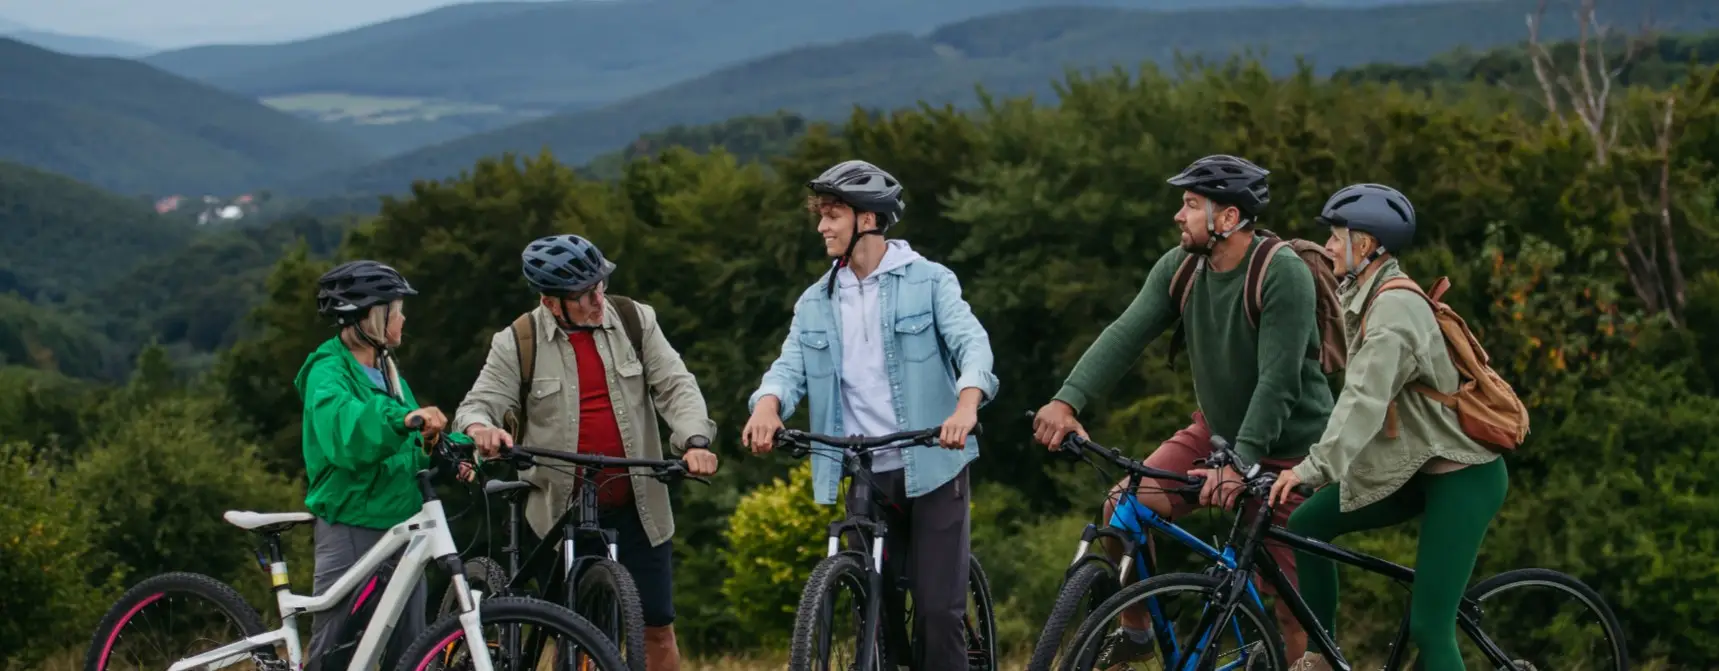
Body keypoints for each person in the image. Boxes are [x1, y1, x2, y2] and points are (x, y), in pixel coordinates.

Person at [1030, 154, 1333, 665]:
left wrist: (1243, 463)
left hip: (1289, 456)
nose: (1179, 215)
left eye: (1191, 204)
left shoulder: (1282, 273)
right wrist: (1067, 400)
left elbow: (1279, 382)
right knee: (1124, 509)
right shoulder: (1182, 268)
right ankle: (1137, 628)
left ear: (1228, 218)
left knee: (1291, 609)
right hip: (1214, 435)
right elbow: (1126, 334)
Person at [739, 159, 998, 670]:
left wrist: (966, 405)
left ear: (869, 219)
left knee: (935, 613)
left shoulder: (929, 281)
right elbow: (788, 368)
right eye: (822, 215)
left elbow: (973, 344)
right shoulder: (816, 301)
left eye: (833, 214)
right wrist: (767, 406)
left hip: (934, 463)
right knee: (870, 609)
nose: (822, 227)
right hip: (863, 468)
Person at [1268, 184, 1508, 671]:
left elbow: (1363, 401)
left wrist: (1313, 467)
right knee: (1306, 525)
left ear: (1366, 244)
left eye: (1337, 237)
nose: (1330, 247)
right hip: (1412, 468)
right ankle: (1322, 654)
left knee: (1430, 627)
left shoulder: (1394, 311)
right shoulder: (1365, 292)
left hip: (1463, 477)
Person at [454, 233, 719, 671]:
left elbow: (676, 384)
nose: (599, 299)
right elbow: (479, 403)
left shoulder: (635, 319)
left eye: (600, 286)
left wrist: (694, 441)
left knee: (658, 627)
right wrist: (482, 428)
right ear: (551, 301)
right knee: (575, 635)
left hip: (638, 503)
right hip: (559, 511)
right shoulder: (518, 341)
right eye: (584, 295)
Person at [298, 259, 473, 670]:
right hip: (353, 523)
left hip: (402, 526)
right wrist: (404, 418)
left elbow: (412, 441)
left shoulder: (385, 370)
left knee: (410, 651)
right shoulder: (328, 372)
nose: (403, 317)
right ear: (373, 317)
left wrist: (462, 449)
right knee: (335, 653)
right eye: (397, 309)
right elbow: (348, 434)